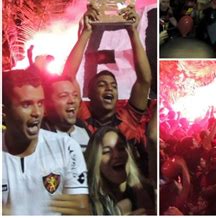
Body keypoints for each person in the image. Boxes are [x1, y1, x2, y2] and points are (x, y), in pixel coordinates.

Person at [2, 69, 89, 215]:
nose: (37, 112)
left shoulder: (66, 147)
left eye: (40, 103)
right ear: (5, 112)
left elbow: (81, 211)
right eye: (26, 104)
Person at [62, 5, 152, 144]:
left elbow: (144, 81)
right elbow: (68, 78)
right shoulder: (81, 120)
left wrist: (132, 31)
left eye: (113, 86)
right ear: (89, 94)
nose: (109, 88)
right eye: (102, 85)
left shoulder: (128, 120)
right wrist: (87, 31)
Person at [85, 126, 155, 215]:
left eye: (121, 148)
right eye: (106, 151)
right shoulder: (88, 204)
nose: (117, 155)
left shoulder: (146, 190)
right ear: (95, 162)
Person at [42, 74, 90, 152]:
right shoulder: (38, 138)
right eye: (64, 96)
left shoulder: (86, 133)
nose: (72, 101)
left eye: (75, 95)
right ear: (47, 103)